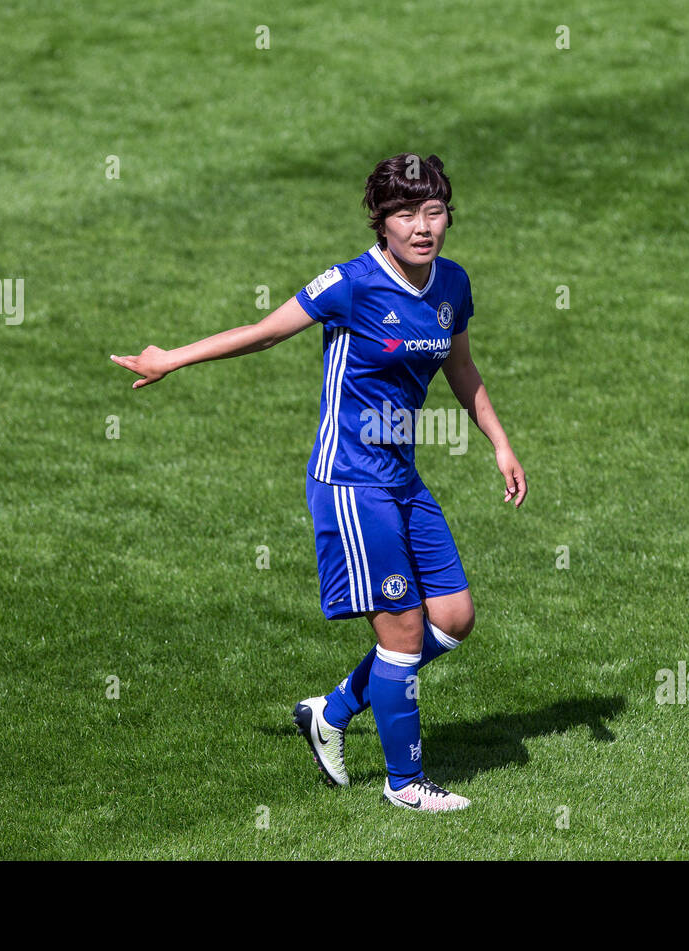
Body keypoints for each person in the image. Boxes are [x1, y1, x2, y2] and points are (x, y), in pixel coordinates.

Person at [111, 153, 526, 812]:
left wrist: (499, 442)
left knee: (454, 618)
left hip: (402, 478)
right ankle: (404, 783)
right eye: (405, 213)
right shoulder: (351, 284)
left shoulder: (452, 284)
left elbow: (462, 366)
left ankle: (329, 711)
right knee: (404, 634)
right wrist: (173, 357)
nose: (423, 226)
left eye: (435, 211)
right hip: (351, 480)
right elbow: (264, 333)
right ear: (381, 221)